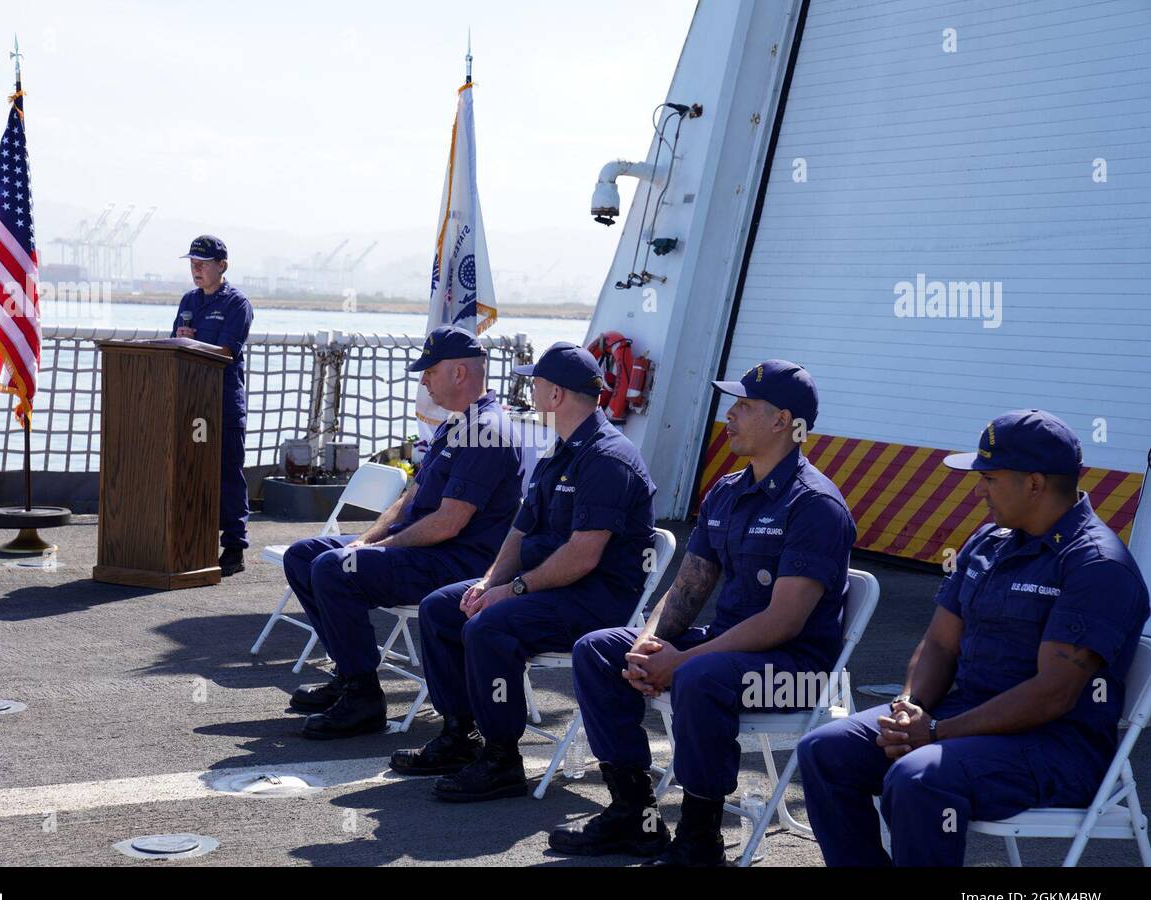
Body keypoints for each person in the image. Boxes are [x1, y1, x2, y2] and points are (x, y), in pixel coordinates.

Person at [796, 410, 1149, 866]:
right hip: (963, 718)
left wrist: (938, 732)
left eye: (989, 478)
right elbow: (940, 642)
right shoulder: (990, 540)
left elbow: (1054, 694)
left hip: (1057, 747)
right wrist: (913, 706)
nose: (978, 489)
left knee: (919, 778)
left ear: (1035, 484)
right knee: (825, 750)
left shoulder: (1096, 566)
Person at [549, 360, 856, 866]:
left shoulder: (815, 506)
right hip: (733, 649)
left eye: (744, 406)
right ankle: (633, 813)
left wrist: (682, 662)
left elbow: (783, 622)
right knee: (600, 650)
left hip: (795, 670)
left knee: (700, 677)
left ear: (783, 421)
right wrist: (647, 643)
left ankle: (698, 840)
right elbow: (687, 588)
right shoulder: (727, 491)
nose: (729, 415)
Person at [390, 341, 657, 802]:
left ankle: (501, 758)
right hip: (549, 587)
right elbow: (520, 530)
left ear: (555, 395)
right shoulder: (563, 451)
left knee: (489, 627)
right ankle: (460, 735)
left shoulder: (607, 459)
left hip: (595, 598)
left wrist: (512, 590)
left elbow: (583, 557)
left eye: (534, 385)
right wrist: (489, 581)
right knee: (442, 608)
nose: (529, 394)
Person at [282, 325, 523, 739]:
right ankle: (349, 670)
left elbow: (449, 522)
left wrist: (378, 550)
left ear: (459, 373)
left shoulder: (486, 432)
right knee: (303, 555)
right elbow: (408, 499)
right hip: (418, 548)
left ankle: (363, 698)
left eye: (430, 370)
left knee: (334, 569)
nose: (423, 379)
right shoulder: (455, 425)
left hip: (454, 562)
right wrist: (366, 542)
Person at [171, 235, 255, 576]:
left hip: (223, 404)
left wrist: (192, 342)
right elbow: (174, 343)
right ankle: (191, 537)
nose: (196, 269)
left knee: (228, 475)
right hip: (190, 403)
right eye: (192, 263)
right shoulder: (189, 299)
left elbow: (227, 352)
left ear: (222, 266)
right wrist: (179, 339)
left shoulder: (238, 304)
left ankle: (235, 546)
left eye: (203, 263)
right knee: (189, 470)